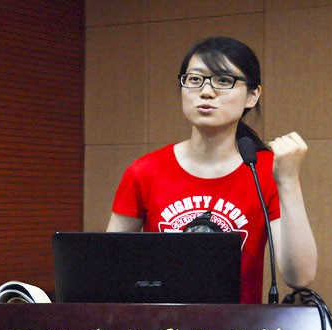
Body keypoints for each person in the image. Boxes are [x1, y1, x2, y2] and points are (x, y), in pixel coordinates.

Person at [107, 36, 317, 304]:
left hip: (239, 328)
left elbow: (300, 277)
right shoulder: (145, 170)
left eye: (223, 81)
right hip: (161, 325)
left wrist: (287, 180)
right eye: (195, 79)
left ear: (252, 95)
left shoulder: (265, 170)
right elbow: (110, 265)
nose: (206, 92)